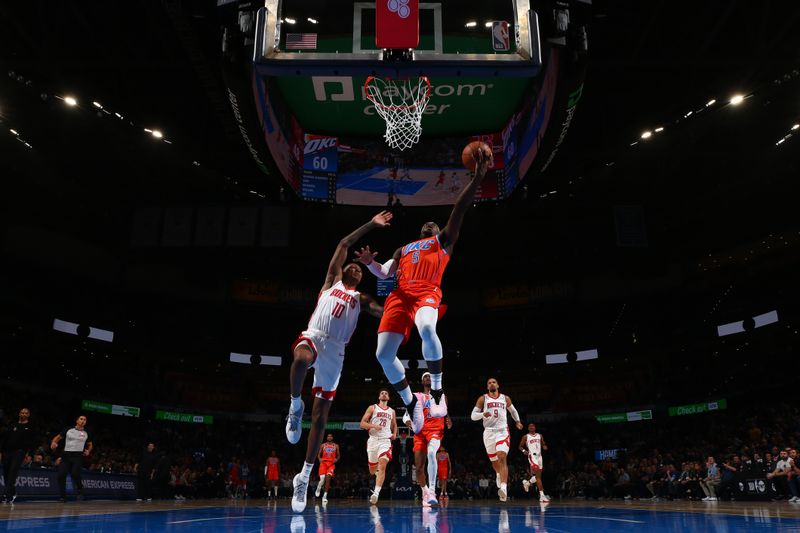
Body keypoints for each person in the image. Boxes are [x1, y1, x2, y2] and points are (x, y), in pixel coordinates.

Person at [356, 146, 491, 433]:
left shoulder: (443, 241)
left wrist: (477, 179)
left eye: (435, 223)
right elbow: (384, 273)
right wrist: (370, 263)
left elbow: (460, 208)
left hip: (426, 292)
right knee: (382, 355)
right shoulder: (403, 248)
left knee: (427, 329)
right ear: (420, 230)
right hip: (399, 295)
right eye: (427, 223)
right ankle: (410, 401)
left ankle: (438, 391)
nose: (430, 222)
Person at [285, 211, 390, 513]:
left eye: (360, 268)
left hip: (336, 353)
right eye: (353, 265)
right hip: (315, 336)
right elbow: (344, 243)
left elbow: (383, 312)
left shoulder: (363, 300)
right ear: (342, 270)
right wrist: (372, 224)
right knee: (301, 358)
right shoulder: (331, 282)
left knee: (320, 418)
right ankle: (294, 405)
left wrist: (407, 309)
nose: (356, 268)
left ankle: (303, 478)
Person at [403, 371, 452, 507]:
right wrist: (409, 423)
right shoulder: (417, 397)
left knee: (432, 453)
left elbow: (445, 412)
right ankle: (425, 492)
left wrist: (448, 419)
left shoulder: (441, 395)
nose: (428, 378)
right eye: (425, 376)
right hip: (420, 432)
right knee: (419, 468)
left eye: (430, 376)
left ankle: (432, 490)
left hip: (435, 430)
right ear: (422, 381)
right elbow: (406, 416)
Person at [470, 378, 523, 502]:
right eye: (489, 383)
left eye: (494, 382)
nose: (491, 384)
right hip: (488, 432)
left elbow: (513, 411)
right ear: (487, 387)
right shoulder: (483, 399)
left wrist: (518, 421)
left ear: (498, 385)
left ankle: (504, 488)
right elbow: (473, 416)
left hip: (502, 431)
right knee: (494, 462)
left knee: (502, 456)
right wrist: (483, 414)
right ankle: (498, 474)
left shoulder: (505, 398)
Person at [359, 389, 397, 504]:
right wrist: (374, 426)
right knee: (372, 470)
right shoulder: (372, 408)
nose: (384, 394)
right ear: (379, 397)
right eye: (382, 393)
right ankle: (377, 473)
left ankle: (376, 493)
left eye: (386, 393)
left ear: (389, 398)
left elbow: (394, 425)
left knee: (383, 463)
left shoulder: (392, 411)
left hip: (385, 441)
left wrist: (394, 433)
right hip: (373, 440)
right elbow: (362, 424)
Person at [50, 415, 93, 502]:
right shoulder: (68, 429)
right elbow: (57, 438)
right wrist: (53, 443)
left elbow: (90, 444)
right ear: (77, 420)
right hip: (66, 455)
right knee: (61, 476)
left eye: (85, 419)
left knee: (75, 473)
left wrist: (88, 451)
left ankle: (80, 488)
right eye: (81, 419)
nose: (83, 421)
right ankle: (63, 497)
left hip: (78, 456)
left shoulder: (86, 432)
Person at [1, 407, 36, 503]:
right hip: (7, 452)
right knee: (6, 473)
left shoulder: (30, 427)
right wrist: (1, 452)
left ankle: (5, 495)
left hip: (20, 452)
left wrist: (30, 454)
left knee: (13, 472)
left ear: (28, 415)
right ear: (19, 414)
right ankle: (12, 492)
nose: (23, 414)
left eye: (26, 413)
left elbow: (33, 442)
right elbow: (5, 439)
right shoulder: (12, 425)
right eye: (22, 412)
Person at [519, 422, 550, 502]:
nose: (532, 427)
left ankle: (527, 483)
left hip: (540, 457)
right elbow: (520, 446)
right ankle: (542, 496)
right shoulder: (526, 436)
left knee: (538, 477)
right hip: (532, 456)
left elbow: (543, 443)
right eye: (530, 426)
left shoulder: (540, 435)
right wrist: (523, 450)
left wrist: (544, 446)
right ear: (528, 428)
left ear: (535, 428)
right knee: (538, 477)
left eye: (533, 426)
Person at [315, 434, 339, 504]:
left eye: (331, 436)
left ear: (332, 437)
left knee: (328, 479)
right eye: (328, 436)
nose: (329, 437)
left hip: (331, 464)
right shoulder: (323, 445)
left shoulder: (336, 446)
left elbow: (338, 455)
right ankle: (319, 488)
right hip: (323, 463)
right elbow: (319, 454)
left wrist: (336, 459)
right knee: (322, 480)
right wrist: (319, 458)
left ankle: (325, 496)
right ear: (326, 438)